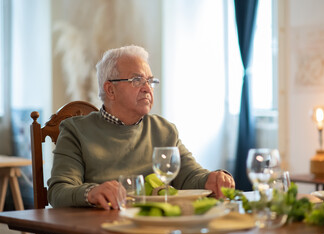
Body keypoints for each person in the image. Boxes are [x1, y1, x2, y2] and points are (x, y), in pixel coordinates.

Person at [47, 45, 235, 210]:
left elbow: (191, 176)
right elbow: (58, 192)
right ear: (110, 90)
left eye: (150, 81)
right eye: (137, 80)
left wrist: (211, 179)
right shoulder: (75, 130)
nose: (147, 88)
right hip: (97, 229)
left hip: (151, 229)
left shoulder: (164, 130)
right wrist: (91, 192)